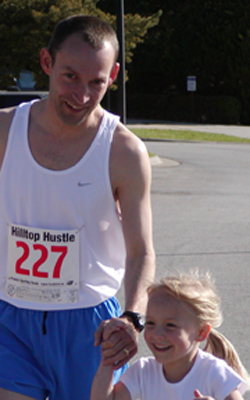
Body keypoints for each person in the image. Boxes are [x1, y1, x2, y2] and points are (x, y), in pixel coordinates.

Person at [0, 14, 155, 400]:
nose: (82, 96)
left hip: (90, 326)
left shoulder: (124, 152)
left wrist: (132, 318)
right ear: (47, 63)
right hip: (10, 319)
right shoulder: (4, 132)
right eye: (70, 77)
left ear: (114, 75)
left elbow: (140, 251)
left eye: (96, 82)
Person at [91, 269, 249, 400]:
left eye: (170, 326)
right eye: (151, 323)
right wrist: (108, 359)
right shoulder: (143, 371)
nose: (157, 334)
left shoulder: (214, 373)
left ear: (201, 332)